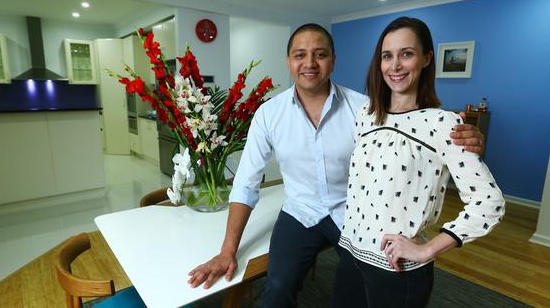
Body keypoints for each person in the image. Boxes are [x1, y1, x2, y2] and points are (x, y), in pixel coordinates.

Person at [187, 23, 485, 307]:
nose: (310, 63)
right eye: (300, 55)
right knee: (276, 289)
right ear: (288, 61)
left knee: (371, 288)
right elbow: (246, 182)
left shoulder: (365, 110)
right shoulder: (269, 114)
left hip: (355, 215)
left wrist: (464, 140)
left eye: (320, 54)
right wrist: (228, 251)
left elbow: (408, 132)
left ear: (333, 60)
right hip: (300, 211)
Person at [332, 17, 505, 308]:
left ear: (426, 59)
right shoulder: (366, 115)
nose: (395, 65)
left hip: (395, 269)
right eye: (387, 56)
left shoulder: (442, 124)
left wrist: (427, 250)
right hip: (350, 252)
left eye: (407, 54)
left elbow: (489, 203)